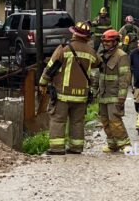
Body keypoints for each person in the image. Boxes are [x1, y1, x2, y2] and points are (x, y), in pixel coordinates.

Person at [39, 21, 101, 155]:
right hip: (82, 96)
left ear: (74, 33)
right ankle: (76, 147)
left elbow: (50, 68)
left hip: (63, 95)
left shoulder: (64, 49)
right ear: (87, 37)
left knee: (58, 120)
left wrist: (42, 83)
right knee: (77, 122)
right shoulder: (91, 52)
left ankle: (57, 148)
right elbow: (98, 63)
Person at [95, 29, 132, 152]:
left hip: (115, 95)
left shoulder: (121, 56)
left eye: (109, 42)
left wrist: (122, 97)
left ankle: (125, 144)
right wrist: (94, 90)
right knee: (105, 121)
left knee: (115, 120)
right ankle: (112, 144)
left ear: (116, 42)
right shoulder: (101, 55)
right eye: (104, 42)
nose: (106, 44)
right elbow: (96, 74)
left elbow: (124, 78)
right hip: (103, 94)